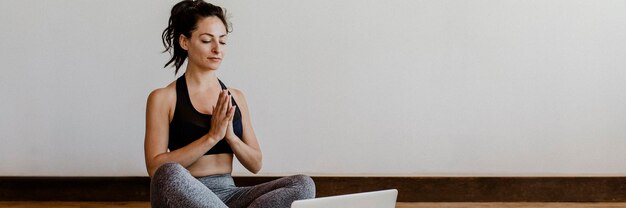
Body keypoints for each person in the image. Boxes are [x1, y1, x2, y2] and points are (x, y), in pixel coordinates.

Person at [144, 1, 315, 207]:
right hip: (184, 194)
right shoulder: (164, 97)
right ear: (184, 41)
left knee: (303, 184)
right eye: (207, 40)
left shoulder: (236, 97)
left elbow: (255, 164)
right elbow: (155, 168)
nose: (217, 49)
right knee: (169, 172)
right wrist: (212, 137)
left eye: (223, 42)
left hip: (230, 194)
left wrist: (230, 137)